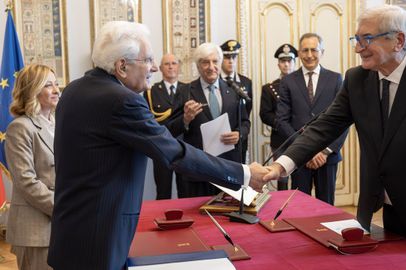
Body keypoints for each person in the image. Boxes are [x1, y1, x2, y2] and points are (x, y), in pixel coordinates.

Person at [264, 5, 406, 262]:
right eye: (356, 39)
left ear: (398, 40)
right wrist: (280, 166)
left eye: (366, 39)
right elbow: (324, 126)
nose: (357, 47)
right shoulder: (357, 79)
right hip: (387, 216)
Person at [47, 21, 268, 270]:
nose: (154, 67)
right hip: (100, 237)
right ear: (122, 66)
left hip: (72, 230)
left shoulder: (75, 89)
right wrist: (245, 173)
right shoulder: (122, 101)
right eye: (148, 59)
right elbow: (174, 153)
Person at [168, 42, 251, 198]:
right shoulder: (185, 91)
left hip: (228, 168)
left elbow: (246, 122)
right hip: (197, 169)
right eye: (205, 62)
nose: (211, 67)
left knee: (227, 217)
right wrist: (185, 119)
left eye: (215, 61)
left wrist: (239, 134)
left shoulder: (234, 90)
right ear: (198, 66)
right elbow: (171, 129)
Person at [276, 33, 348, 204]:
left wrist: (324, 151)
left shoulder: (335, 79)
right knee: (299, 206)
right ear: (299, 53)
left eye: (314, 50)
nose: (309, 55)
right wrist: (305, 150)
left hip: (327, 157)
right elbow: (281, 121)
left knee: (327, 207)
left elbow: (344, 119)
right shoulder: (287, 81)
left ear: (322, 52)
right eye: (305, 50)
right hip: (298, 157)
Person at [5, 64, 59, 270]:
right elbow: (26, 181)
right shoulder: (20, 127)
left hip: (60, 223)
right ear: (32, 90)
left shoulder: (55, 123)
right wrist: (62, 207)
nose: (56, 90)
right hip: (35, 228)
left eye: (56, 84)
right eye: (48, 85)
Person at [143, 53, 186, 199]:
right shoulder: (151, 91)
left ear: (179, 66)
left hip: (184, 147)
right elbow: (148, 119)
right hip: (162, 148)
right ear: (160, 68)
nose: (171, 67)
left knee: (185, 192)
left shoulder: (189, 90)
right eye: (167, 64)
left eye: (174, 63)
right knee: (162, 191)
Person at [260, 43, 297, 190]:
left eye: (290, 61)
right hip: (280, 139)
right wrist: (282, 126)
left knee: (301, 178)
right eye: (283, 61)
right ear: (278, 64)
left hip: (301, 137)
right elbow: (265, 114)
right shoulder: (269, 88)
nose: (286, 64)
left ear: (295, 62)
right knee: (282, 178)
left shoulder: (303, 86)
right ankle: (283, 211)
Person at [220, 39, 253, 162]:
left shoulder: (246, 82)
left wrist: (240, 133)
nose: (231, 61)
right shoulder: (215, 81)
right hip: (218, 138)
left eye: (234, 57)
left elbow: (247, 109)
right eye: (227, 57)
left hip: (238, 138)